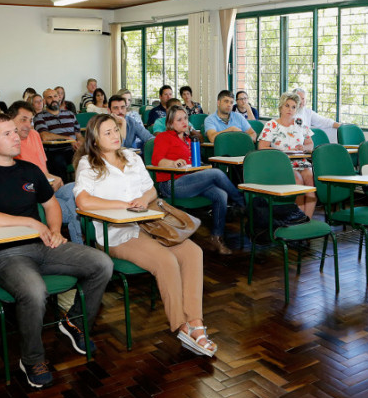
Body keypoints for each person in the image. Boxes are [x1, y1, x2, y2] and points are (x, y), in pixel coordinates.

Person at [0, 113, 113, 388]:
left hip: (42, 246)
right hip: (3, 255)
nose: (17, 136)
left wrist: (54, 230)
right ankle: (32, 358)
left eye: (15, 131)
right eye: (7, 134)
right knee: (34, 290)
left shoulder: (29, 169)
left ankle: (75, 322)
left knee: (101, 263)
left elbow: (52, 205)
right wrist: (30, 221)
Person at [74, 114, 218, 356]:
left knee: (194, 252)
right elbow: (83, 201)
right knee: (166, 260)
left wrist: (143, 199)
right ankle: (182, 326)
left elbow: (150, 189)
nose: (114, 135)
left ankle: (195, 322)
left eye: (115, 130)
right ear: (95, 139)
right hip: (116, 233)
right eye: (107, 132)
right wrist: (123, 205)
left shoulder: (131, 157)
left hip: (149, 225)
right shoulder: (89, 163)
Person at [151, 106, 245, 255]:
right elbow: (157, 161)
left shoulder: (189, 139)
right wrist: (172, 163)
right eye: (179, 119)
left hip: (191, 181)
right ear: (170, 123)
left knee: (220, 194)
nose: (184, 122)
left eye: (186, 118)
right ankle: (243, 202)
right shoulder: (163, 137)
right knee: (215, 173)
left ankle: (216, 237)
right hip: (171, 184)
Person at [7, 101, 83, 244]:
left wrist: (54, 179)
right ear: (10, 119)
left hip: (47, 187)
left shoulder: (34, 135)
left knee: (75, 189)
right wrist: (44, 182)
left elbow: (43, 169)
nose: (28, 125)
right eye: (23, 119)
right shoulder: (9, 143)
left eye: (30, 120)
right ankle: (79, 245)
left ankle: (76, 245)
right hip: (30, 192)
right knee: (74, 207)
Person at [258, 92, 316, 218]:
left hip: (300, 161)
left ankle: (307, 223)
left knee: (310, 180)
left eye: (294, 107)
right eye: (287, 106)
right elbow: (262, 147)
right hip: (281, 164)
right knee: (298, 182)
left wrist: (304, 147)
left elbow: (310, 144)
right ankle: (299, 221)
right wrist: (279, 152)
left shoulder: (300, 123)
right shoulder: (272, 125)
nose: (290, 109)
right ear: (281, 107)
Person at [34, 89, 84, 177]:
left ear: (59, 98)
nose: (53, 99)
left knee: (90, 156)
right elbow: (44, 136)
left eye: (55, 96)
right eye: (49, 97)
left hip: (73, 150)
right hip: (54, 152)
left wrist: (81, 143)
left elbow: (78, 135)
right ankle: (62, 189)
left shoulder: (70, 114)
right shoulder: (40, 117)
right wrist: (68, 139)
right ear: (44, 101)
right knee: (58, 161)